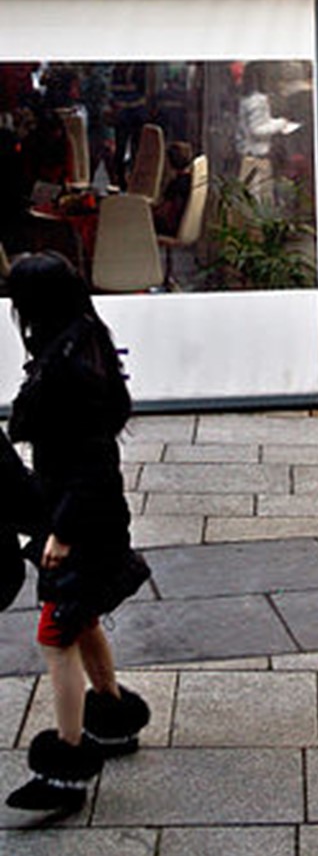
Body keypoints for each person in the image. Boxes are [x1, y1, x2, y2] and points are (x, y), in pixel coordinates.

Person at [6, 255, 151, 818]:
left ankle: (66, 763)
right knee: (81, 617)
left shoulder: (66, 365)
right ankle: (111, 714)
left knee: (54, 635)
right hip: (90, 514)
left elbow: (89, 459)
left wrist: (62, 532)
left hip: (78, 521)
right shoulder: (84, 339)